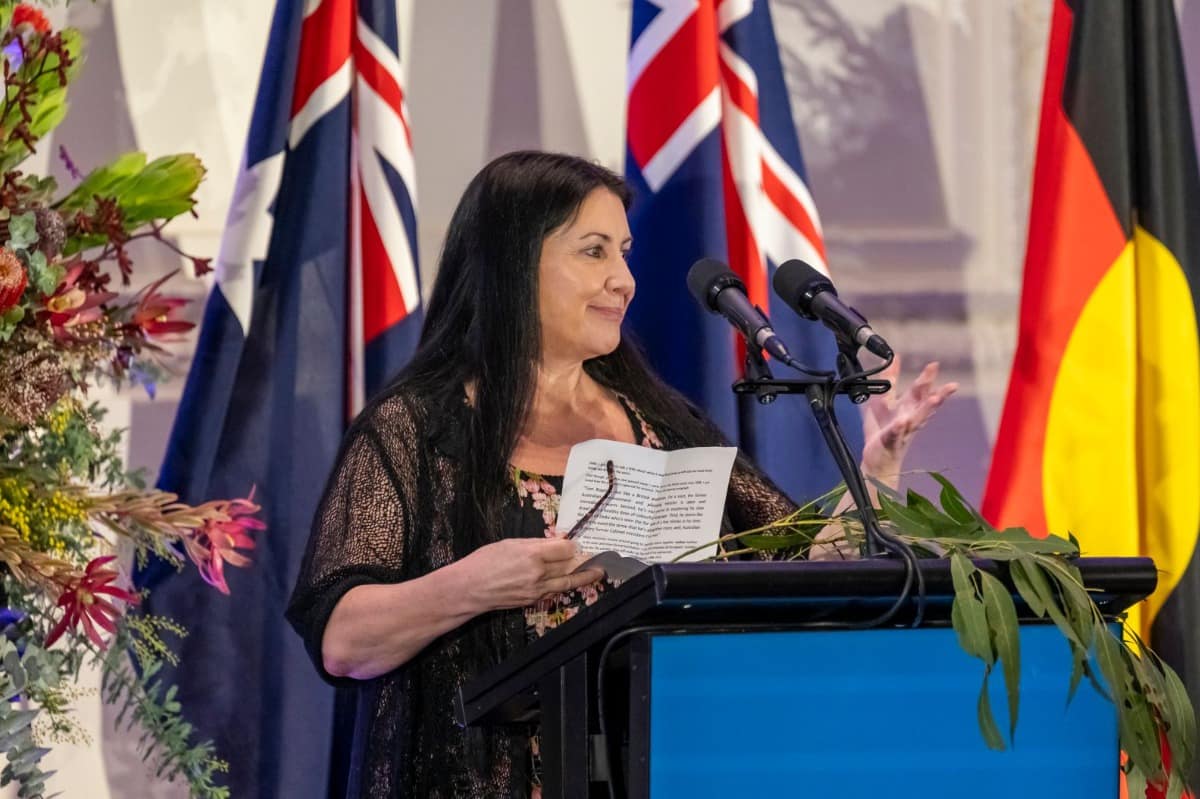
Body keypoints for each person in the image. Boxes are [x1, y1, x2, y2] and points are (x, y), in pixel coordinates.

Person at [286, 151, 955, 798]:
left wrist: (875, 472)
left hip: (662, 771)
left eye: (625, 252)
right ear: (515, 263)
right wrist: (475, 584)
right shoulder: (415, 428)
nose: (624, 279)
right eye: (594, 249)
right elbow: (344, 640)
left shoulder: (664, 422)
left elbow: (799, 561)